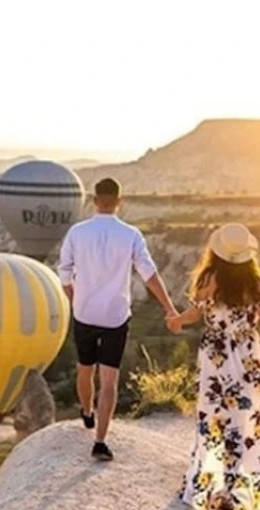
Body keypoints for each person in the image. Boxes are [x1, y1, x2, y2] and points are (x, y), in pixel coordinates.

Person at [165, 222, 260, 510]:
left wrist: (177, 321)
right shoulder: (257, 285)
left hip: (217, 358)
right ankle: (237, 486)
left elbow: (194, 314)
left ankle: (225, 488)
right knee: (247, 419)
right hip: (249, 354)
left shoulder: (209, 279)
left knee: (216, 419)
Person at [57, 177, 179, 461]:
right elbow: (150, 275)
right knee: (109, 380)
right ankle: (100, 441)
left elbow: (64, 273)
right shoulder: (131, 235)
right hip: (115, 316)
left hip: (85, 314)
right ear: (119, 201)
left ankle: (86, 412)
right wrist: (169, 308)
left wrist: (76, 300)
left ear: (94, 200)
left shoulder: (77, 232)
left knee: (84, 369)